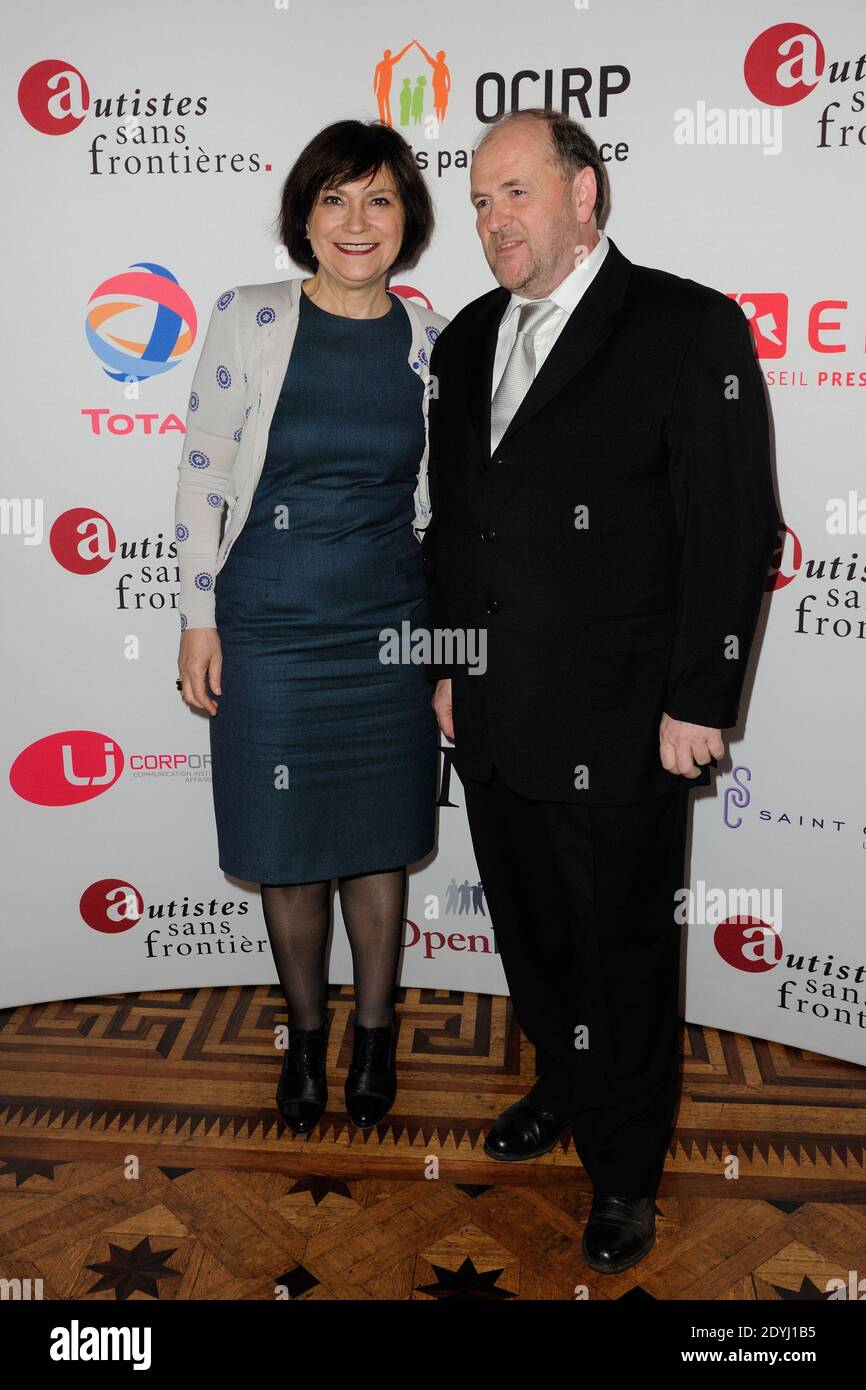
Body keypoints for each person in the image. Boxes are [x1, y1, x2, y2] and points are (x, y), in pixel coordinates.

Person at [422, 108, 779, 1274]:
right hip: (492, 713)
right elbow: (461, 529)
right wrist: (445, 661)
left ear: (585, 195)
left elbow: (730, 528)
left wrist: (699, 698)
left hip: (627, 718)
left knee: (621, 954)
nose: (492, 221)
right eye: (479, 202)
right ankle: (564, 1088)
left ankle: (625, 1170)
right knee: (531, 935)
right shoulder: (471, 335)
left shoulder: (686, 326)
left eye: (514, 193)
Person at [174, 119, 447, 1137]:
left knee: (376, 843)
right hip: (270, 624)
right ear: (303, 215)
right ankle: (304, 1035)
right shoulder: (249, 317)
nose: (355, 220)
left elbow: (449, 503)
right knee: (287, 851)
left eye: (378, 198)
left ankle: (372, 1035)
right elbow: (202, 469)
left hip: (388, 625)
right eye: (333, 198)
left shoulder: (430, 337)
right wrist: (197, 617)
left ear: (406, 217)